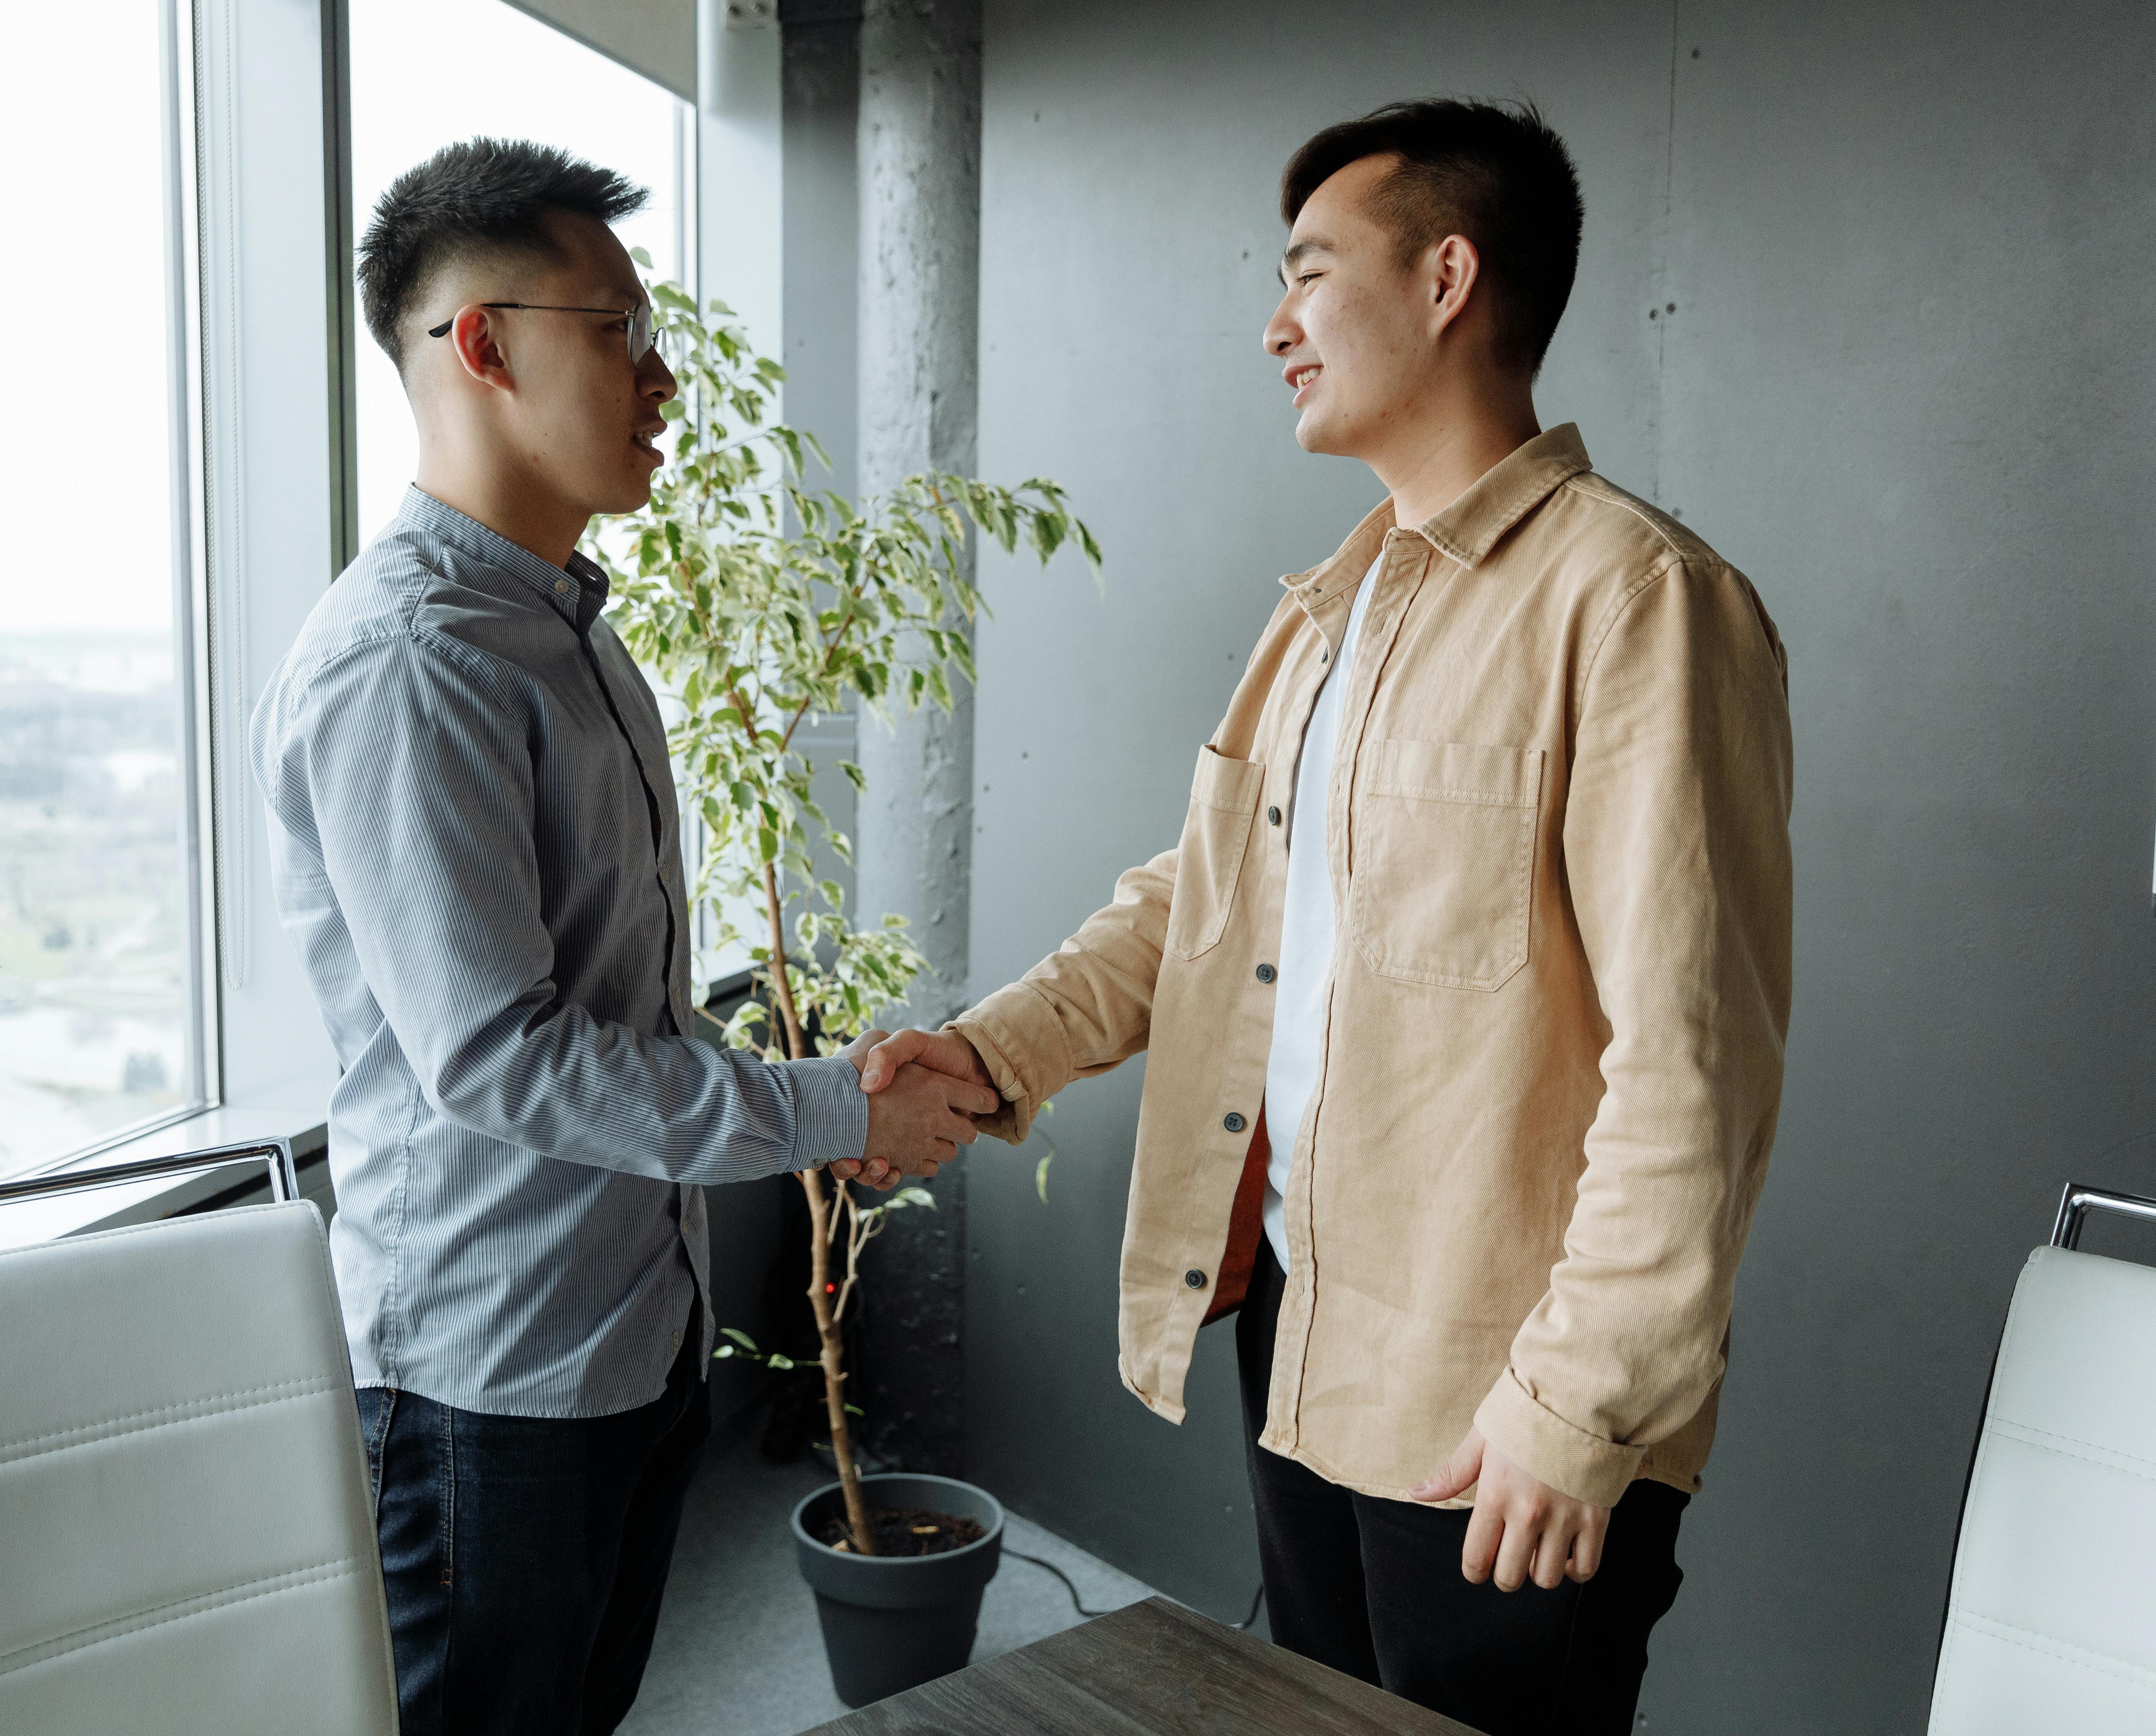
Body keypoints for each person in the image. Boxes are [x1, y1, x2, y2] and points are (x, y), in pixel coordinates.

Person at [854, 99, 1792, 1734]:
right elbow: (1199, 904)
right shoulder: (1331, 610)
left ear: (1446, 277)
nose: (1276, 324)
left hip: (1498, 1387)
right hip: (1297, 1326)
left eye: (1308, 273)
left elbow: (1693, 1062)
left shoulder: (1639, 599)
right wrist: (984, 1054)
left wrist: (1577, 1406)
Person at [251, 138, 990, 1736]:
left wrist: (817, 1117)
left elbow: (627, 1008)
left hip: (625, 1335)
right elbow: (498, 1059)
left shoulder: (563, 628)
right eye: (618, 334)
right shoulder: (413, 664)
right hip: (487, 1377)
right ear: (485, 344)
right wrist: (833, 1110)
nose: (662, 382)